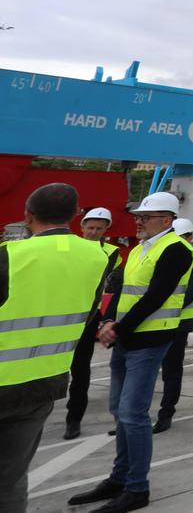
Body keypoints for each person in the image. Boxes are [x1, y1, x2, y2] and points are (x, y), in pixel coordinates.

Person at [66, 191, 193, 513]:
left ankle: (137, 488)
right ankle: (119, 477)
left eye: (145, 217)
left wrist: (118, 329)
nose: (138, 222)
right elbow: (121, 290)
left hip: (150, 339)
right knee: (119, 409)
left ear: (166, 220)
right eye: (138, 217)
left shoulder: (177, 250)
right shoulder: (140, 249)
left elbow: (155, 296)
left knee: (134, 414)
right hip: (126, 338)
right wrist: (108, 320)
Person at [0, 184, 112, 513]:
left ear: (27, 215)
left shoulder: (9, 255)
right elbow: (89, 314)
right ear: (75, 216)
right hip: (44, 382)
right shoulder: (96, 256)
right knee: (11, 479)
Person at [64, 206, 122, 440]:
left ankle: (74, 419)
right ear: (82, 227)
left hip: (88, 316)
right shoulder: (69, 247)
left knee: (80, 370)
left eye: (99, 228)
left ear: (106, 229)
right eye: (90, 228)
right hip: (62, 313)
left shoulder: (111, 252)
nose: (93, 232)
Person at [154, 218, 193, 434]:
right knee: (144, 371)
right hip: (152, 321)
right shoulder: (158, 253)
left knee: (171, 371)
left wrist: (161, 306)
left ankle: (166, 413)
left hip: (177, 323)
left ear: (189, 238)